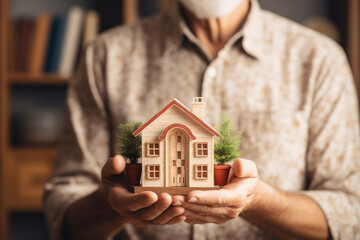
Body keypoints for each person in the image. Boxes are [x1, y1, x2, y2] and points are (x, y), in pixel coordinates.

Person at [44, 0, 360, 239]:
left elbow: (350, 214)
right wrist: (109, 203)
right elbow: (63, 212)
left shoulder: (318, 59)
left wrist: (258, 202)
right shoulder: (106, 56)